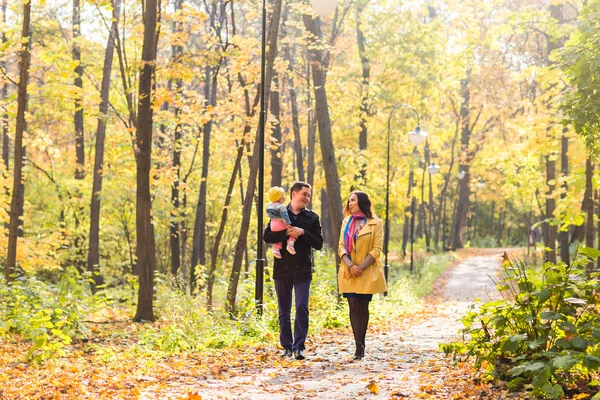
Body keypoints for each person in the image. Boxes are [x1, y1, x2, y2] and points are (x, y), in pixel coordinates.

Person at [264, 181, 323, 360]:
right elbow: (267, 236)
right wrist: (287, 234)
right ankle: (287, 347)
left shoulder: (312, 218)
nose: (307, 198)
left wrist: (303, 232)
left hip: (303, 269)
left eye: (309, 195)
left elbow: (319, 243)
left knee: (301, 307)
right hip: (282, 269)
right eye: (304, 194)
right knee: (284, 310)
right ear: (294, 194)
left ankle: (299, 347)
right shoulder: (279, 211)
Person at [338, 190, 387, 360]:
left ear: (362, 202)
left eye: (353, 200)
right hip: (348, 270)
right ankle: (357, 345)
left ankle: (362, 343)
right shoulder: (346, 222)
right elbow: (341, 246)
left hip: (367, 271)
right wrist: (351, 265)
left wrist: (361, 267)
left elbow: (377, 249)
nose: (350, 203)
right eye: (349, 200)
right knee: (353, 305)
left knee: (363, 306)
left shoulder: (375, 223)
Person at [266, 186, 296, 258]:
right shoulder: (281, 206)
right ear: (279, 198)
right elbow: (285, 216)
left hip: (273, 225)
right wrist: (288, 224)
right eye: (283, 196)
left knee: (279, 237)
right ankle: (290, 244)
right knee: (293, 231)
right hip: (280, 224)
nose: (284, 198)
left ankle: (276, 249)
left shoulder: (269, 205)